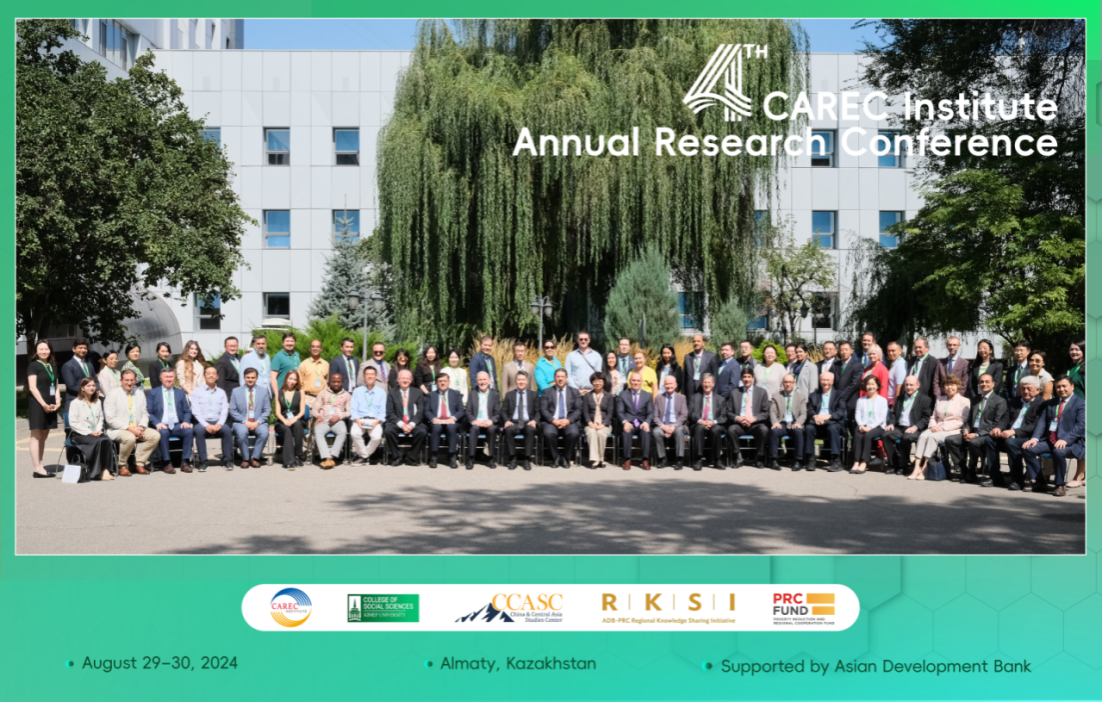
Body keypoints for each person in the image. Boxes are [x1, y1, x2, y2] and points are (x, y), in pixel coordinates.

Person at [1023, 376, 1084, 497]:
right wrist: (1034, 438)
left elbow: (1081, 425)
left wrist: (1065, 440)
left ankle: (1059, 485)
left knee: (1058, 451)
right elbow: (1042, 422)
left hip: (1071, 443)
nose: (1061, 389)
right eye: (1058, 387)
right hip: (1050, 440)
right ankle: (1040, 482)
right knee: (1028, 449)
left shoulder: (1081, 403)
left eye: (1064, 386)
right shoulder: (1050, 403)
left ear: (1072, 386)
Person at [944, 373, 1009, 483]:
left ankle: (972, 470)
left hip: (985, 435)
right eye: (981, 382)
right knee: (950, 440)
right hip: (972, 432)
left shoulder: (1000, 401)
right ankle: (964, 469)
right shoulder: (975, 400)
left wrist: (977, 434)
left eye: (987, 382)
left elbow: (996, 424)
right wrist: (966, 430)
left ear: (993, 384)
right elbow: (969, 420)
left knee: (973, 442)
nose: (984, 384)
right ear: (978, 384)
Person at [985, 376, 1044, 490]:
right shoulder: (1015, 401)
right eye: (1023, 388)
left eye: (1029, 388)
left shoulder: (1041, 404)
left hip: (1027, 437)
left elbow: (1034, 426)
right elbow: (1005, 418)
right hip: (1008, 435)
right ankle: (996, 478)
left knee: (1011, 443)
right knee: (990, 440)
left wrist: (1014, 432)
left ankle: (1017, 481)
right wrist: (998, 428)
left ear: (1037, 390)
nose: (1025, 391)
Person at [910, 375, 969, 480]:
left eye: (952, 385)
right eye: (947, 385)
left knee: (933, 437)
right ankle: (917, 468)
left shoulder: (964, 401)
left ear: (958, 386)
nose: (949, 387)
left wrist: (943, 428)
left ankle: (925, 468)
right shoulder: (940, 399)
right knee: (923, 436)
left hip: (952, 430)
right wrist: (932, 425)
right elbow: (933, 416)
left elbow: (961, 421)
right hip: (936, 427)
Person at [104, 368, 160, 476]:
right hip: (118, 429)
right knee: (130, 438)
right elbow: (110, 419)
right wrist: (129, 428)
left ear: (135, 380)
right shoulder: (112, 395)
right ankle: (122, 465)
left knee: (155, 435)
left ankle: (138, 463)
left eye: (132, 380)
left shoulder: (140, 394)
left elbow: (145, 413)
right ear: (121, 381)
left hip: (138, 427)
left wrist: (142, 426)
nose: (129, 383)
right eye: (126, 380)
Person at [881, 375, 933, 476]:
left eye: (911, 385)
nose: (908, 387)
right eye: (906, 385)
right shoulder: (900, 398)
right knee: (885, 435)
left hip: (914, 428)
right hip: (899, 427)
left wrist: (915, 427)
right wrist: (891, 423)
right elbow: (893, 413)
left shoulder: (925, 399)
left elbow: (926, 418)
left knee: (906, 438)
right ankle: (893, 464)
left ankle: (903, 466)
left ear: (918, 385)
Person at [147, 369, 195, 474]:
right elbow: (149, 412)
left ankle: (185, 461)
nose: (168, 379)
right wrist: (157, 423)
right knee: (163, 433)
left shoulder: (180, 392)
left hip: (177, 425)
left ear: (174, 378)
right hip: (162, 425)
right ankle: (167, 463)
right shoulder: (153, 393)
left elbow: (187, 411)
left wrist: (186, 421)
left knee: (188, 430)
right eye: (166, 377)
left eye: (171, 377)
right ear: (161, 378)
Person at [68, 377, 115, 481]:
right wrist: (90, 432)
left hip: (95, 432)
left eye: (93, 385)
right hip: (80, 434)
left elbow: (100, 418)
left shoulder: (97, 402)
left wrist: (97, 430)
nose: (92, 388)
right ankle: (96, 472)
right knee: (98, 441)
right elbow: (73, 423)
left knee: (107, 440)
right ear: (82, 388)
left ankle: (106, 470)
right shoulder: (75, 403)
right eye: (88, 385)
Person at [188, 366, 234, 472]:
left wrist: (219, 424)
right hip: (202, 423)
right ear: (204, 376)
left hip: (218, 422)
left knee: (227, 430)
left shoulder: (221, 392)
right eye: (208, 373)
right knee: (199, 431)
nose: (211, 375)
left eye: (214, 373)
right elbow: (195, 411)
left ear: (217, 376)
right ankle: (203, 462)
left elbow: (224, 410)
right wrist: (206, 425)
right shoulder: (197, 392)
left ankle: (227, 461)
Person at [27, 340, 61, 478]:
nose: (43, 351)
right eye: (40, 349)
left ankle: (40, 465)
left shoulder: (52, 366)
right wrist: (43, 404)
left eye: (46, 349)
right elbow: (32, 388)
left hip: (51, 404)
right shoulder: (34, 365)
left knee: (44, 436)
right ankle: (37, 469)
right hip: (38, 404)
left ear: (50, 350)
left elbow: (56, 386)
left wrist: (58, 401)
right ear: (36, 351)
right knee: (36, 436)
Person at [726, 367, 770, 468]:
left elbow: (765, 412)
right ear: (741, 378)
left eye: (749, 377)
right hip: (740, 424)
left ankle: (758, 458)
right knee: (731, 430)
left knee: (764, 430)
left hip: (755, 424)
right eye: (744, 377)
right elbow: (728, 411)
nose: (746, 379)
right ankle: (738, 458)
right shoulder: (734, 392)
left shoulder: (762, 392)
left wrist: (754, 418)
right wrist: (738, 418)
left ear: (753, 378)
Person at [803, 371, 847, 472]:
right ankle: (811, 459)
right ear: (820, 381)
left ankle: (836, 460)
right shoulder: (813, 395)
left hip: (833, 422)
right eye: (823, 380)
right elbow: (810, 409)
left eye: (828, 380)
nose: (825, 382)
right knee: (809, 428)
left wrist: (828, 416)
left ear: (832, 381)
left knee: (832, 428)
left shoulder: (840, 394)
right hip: (817, 423)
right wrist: (815, 416)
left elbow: (840, 412)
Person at [229, 368, 271, 469]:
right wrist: (245, 421)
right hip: (241, 422)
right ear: (244, 378)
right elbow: (232, 410)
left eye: (253, 377)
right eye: (248, 377)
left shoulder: (263, 391)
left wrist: (258, 422)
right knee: (242, 432)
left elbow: (267, 410)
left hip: (258, 422)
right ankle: (245, 459)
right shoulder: (236, 391)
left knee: (264, 433)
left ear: (257, 378)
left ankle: (255, 457)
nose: (250, 380)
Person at [385, 369, 427, 466]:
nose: (405, 380)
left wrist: (411, 425)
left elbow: (420, 412)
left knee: (422, 431)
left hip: (413, 422)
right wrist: (402, 425)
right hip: (397, 422)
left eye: (407, 378)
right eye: (403, 378)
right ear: (398, 380)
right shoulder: (392, 393)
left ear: (411, 380)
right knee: (388, 431)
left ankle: (411, 458)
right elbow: (390, 412)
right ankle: (397, 457)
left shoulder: (418, 393)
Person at [542, 368, 583, 467]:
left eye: (562, 377)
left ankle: (565, 457)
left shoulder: (574, 392)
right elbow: (544, 409)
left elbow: (578, 409)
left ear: (566, 378)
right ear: (554, 378)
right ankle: (555, 457)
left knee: (573, 433)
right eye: (558, 377)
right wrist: (553, 421)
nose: (560, 379)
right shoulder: (547, 391)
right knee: (548, 433)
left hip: (568, 421)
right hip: (552, 421)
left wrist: (568, 420)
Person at [422, 370, 462, 469]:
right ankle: (434, 457)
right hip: (437, 421)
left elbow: (461, 410)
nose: (442, 383)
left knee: (451, 428)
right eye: (440, 381)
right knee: (436, 428)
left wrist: (453, 418)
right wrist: (433, 418)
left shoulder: (456, 394)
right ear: (437, 383)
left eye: (445, 381)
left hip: (451, 421)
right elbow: (426, 410)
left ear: (449, 382)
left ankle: (452, 457)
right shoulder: (431, 395)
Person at [849, 375, 889, 474]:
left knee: (867, 435)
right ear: (865, 386)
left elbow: (882, 418)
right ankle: (856, 462)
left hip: (878, 427)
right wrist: (861, 425)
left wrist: (870, 427)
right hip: (863, 425)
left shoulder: (882, 400)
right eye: (868, 384)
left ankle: (864, 462)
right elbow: (857, 414)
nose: (871, 386)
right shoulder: (860, 400)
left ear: (877, 386)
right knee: (858, 435)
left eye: (873, 384)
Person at [501, 371, 539, 470]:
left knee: (530, 430)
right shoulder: (509, 395)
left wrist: (534, 421)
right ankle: (512, 458)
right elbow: (503, 411)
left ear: (527, 381)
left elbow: (538, 411)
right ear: (515, 381)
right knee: (508, 430)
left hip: (528, 422)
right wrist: (507, 421)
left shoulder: (533, 395)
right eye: (519, 380)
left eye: (523, 380)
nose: (521, 382)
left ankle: (527, 459)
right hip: (514, 422)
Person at [312, 373, 351, 469]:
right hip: (323, 419)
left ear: (342, 382)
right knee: (318, 431)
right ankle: (327, 458)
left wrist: (339, 416)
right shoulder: (322, 393)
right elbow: (314, 409)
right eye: (334, 381)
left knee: (343, 431)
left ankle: (331, 457)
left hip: (338, 420)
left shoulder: (347, 395)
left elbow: (350, 411)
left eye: (338, 382)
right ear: (330, 382)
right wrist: (318, 416)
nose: (336, 384)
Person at [349, 365, 387, 465]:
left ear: (376, 376)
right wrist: (357, 421)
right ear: (364, 377)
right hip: (360, 419)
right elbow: (353, 410)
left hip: (375, 420)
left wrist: (376, 422)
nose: (370, 376)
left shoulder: (381, 392)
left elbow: (383, 412)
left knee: (377, 437)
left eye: (372, 374)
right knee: (354, 433)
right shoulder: (357, 391)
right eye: (367, 374)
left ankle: (362, 457)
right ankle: (365, 456)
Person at [768, 374, 806, 471]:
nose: (788, 384)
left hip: (794, 422)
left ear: (794, 383)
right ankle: (773, 460)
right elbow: (772, 411)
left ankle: (798, 460)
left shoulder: (801, 397)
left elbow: (803, 413)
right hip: (782, 423)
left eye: (790, 382)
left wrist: (798, 423)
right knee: (775, 431)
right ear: (782, 383)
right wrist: (775, 423)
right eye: (785, 382)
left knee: (798, 431)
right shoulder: (776, 396)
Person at [617, 370, 653, 471]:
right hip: (629, 423)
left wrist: (647, 422)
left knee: (646, 431)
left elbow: (651, 412)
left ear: (641, 382)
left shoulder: (647, 395)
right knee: (626, 431)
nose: (636, 382)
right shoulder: (623, 394)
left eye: (638, 380)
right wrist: (625, 422)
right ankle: (627, 459)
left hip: (642, 423)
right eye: (633, 380)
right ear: (630, 381)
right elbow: (619, 412)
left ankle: (645, 459)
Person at [690, 373, 727, 470]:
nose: (707, 385)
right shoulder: (694, 397)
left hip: (714, 424)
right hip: (700, 423)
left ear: (713, 384)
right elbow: (691, 413)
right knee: (699, 428)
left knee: (716, 429)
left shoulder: (720, 399)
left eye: (709, 382)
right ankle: (698, 459)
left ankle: (717, 459)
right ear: (701, 384)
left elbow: (723, 416)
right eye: (705, 382)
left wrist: (713, 422)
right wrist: (701, 421)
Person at [652, 374, 689, 470]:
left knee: (679, 431)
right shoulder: (658, 398)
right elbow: (655, 417)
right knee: (656, 432)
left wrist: (673, 426)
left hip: (677, 425)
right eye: (666, 384)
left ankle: (679, 459)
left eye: (671, 383)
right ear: (664, 385)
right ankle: (663, 459)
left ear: (676, 385)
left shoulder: (682, 397)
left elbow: (684, 415)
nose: (669, 386)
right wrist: (663, 426)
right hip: (663, 425)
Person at [465, 371, 500, 470]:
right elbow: (468, 411)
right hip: (476, 422)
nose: (482, 382)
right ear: (476, 382)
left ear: (489, 381)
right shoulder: (472, 394)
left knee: (492, 429)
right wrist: (474, 420)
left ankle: (491, 458)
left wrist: (491, 420)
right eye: (480, 380)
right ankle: (471, 458)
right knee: (474, 428)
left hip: (489, 422)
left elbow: (498, 412)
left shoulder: (495, 394)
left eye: (484, 379)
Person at [274, 369, 308, 469]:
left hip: (296, 419)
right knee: (287, 431)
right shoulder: (279, 393)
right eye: (290, 378)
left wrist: (294, 419)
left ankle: (298, 455)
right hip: (282, 421)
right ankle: (289, 461)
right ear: (286, 379)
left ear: (297, 381)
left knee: (298, 425)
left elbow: (302, 411)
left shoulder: (300, 392)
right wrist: (285, 421)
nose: (292, 381)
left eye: (295, 379)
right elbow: (278, 412)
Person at [583, 371, 615, 468]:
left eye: (600, 381)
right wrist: (590, 423)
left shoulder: (609, 396)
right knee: (591, 432)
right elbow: (585, 412)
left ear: (604, 382)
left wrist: (603, 424)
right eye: (595, 381)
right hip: (591, 424)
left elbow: (610, 413)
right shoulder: (587, 396)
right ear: (592, 383)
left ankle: (601, 459)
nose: (597, 383)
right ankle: (596, 460)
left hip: (604, 424)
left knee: (601, 433)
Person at [1066, 340, 1086, 488]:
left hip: (1083, 409)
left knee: (1082, 442)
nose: (1074, 352)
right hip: (1071, 409)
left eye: (1077, 349)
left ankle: (1078, 477)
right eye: (1072, 349)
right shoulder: (1071, 367)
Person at [62, 338, 99, 411]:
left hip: (90, 402)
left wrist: (96, 390)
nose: (83, 350)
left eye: (85, 348)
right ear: (74, 349)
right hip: (75, 402)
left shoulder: (89, 364)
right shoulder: (67, 366)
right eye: (80, 348)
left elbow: (96, 380)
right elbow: (72, 386)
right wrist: (90, 390)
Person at [683, 333, 718, 405]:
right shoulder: (687, 357)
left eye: (698, 341)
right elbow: (684, 378)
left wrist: (714, 393)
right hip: (690, 391)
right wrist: (683, 395)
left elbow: (715, 376)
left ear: (703, 343)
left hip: (705, 389)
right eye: (694, 341)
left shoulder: (711, 356)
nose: (696, 343)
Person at [834, 341, 864, 420]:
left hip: (851, 400)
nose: (844, 352)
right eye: (842, 350)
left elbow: (855, 384)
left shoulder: (857, 365)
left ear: (851, 351)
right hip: (837, 401)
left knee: (850, 424)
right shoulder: (835, 365)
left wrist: (842, 396)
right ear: (839, 351)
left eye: (846, 349)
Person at [909, 337, 944, 402]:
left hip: (924, 399)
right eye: (915, 347)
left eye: (920, 347)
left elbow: (936, 382)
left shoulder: (933, 362)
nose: (917, 349)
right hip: (910, 396)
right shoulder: (912, 360)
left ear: (927, 348)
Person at [298, 339, 330, 404]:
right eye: (313, 346)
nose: (315, 349)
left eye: (318, 347)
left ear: (321, 349)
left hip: (323, 398)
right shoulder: (303, 364)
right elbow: (299, 383)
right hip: (308, 398)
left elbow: (328, 381)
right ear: (309, 349)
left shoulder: (326, 364)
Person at [1005, 340, 1032, 408]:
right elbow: (1006, 387)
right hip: (1011, 403)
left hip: (1027, 403)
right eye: (1016, 350)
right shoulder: (1011, 369)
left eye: (1021, 350)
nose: (1018, 353)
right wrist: (1009, 400)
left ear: (1028, 352)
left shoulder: (1031, 369)